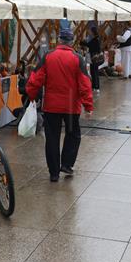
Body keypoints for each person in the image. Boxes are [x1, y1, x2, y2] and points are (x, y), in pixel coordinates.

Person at [25, 29, 93, 182]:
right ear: (71, 42)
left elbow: (35, 78)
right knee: (72, 135)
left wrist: (31, 95)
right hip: (70, 106)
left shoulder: (48, 56)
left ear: (59, 41)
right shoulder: (78, 58)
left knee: (52, 138)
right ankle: (67, 164)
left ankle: (54, 173)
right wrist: (88, 106)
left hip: (51, 106)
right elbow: (85, 84)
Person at [80, 26, 102, 92]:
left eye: (90, 31)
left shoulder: (95, 39)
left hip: (94, 56)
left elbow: (89, 45)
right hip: (94, 56)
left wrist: (82, 42)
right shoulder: (95, 38)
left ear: (92, 32)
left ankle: (96, 87)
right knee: (93, 71)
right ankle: (94, 86)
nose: (89, 32)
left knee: (94, 71)